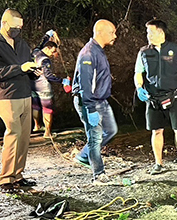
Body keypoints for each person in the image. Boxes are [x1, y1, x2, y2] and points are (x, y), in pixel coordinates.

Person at [0, 9, 39, 193]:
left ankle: (18, 176)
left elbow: (27, 63)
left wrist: (33, 71)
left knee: (23, 137)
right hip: (6, 95)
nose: (18, 30)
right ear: (4, 23)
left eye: (20, 27)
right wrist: (19, 68)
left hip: (25, 93)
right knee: (13, 134)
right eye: (15, 27)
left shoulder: (21, 43)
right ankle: (5, 179)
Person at [134, 19, 177, 175]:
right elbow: (138, 73)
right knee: (156, 131)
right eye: (147, 32)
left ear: (160, 32)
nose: (148, 35)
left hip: (174, 96)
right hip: (153, 98)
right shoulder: (144, 52)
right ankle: (158, 163)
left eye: (150, 32)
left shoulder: (176, 50)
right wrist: (139, 87)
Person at [71, 20, 118, 183]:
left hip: (101, 101)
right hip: (89, 102)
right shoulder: (88, 54)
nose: (115, 36)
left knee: (111, 130)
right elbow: (85, 83)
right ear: (100, 32)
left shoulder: (99, 51)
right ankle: (98, 174)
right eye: (112, 32)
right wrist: (90, 109)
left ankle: (84, 156)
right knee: (95, 137)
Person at [31, 31, 71, 139]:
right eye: (53, 52)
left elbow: (42, 42)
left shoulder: (36, 51)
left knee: (35, 105)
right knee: (47, 109)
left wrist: (50, 34)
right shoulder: (45, 60)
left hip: (33, 85)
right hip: (43, 86)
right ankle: (47, 133)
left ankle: (37, 126)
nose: (53, 54)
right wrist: (62, 81)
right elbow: (48, 75)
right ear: (48, 48)